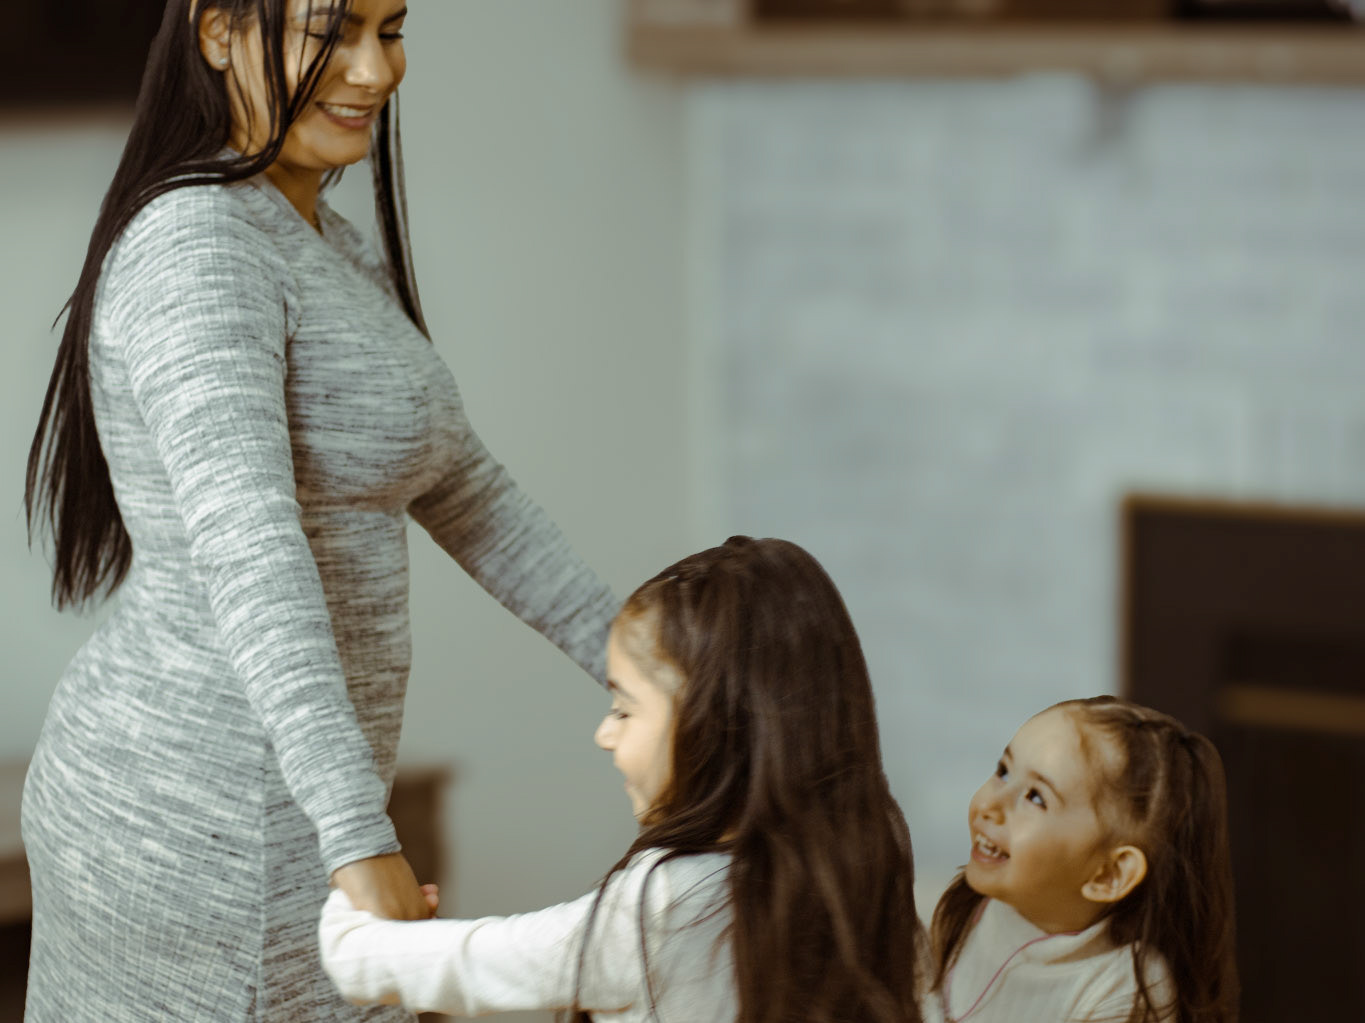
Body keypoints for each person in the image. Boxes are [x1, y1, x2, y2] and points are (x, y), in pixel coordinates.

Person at [20, 1, 619, 1019]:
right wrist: (356, 832)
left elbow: (468, 493)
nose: (374, 71)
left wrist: (667, 664)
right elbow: (251, 551)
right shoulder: (196, 245)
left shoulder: (317, 236)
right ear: (217, 32)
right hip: (196, 822)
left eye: (390, 30)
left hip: (282, 803)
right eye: (330, 31)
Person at [319, 536, 923, 1022]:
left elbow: (374, 963)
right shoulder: (862, 877)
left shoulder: (665, 908)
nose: (604, 734)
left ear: (718, 727)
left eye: (624, 710)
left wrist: (353, 900)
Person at [923, 697, 1239, 1023]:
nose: (990, 804)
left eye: (1035, 797)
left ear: (1108, 875)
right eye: (1004, 772)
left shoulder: (1124, 987)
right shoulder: (975, 906)